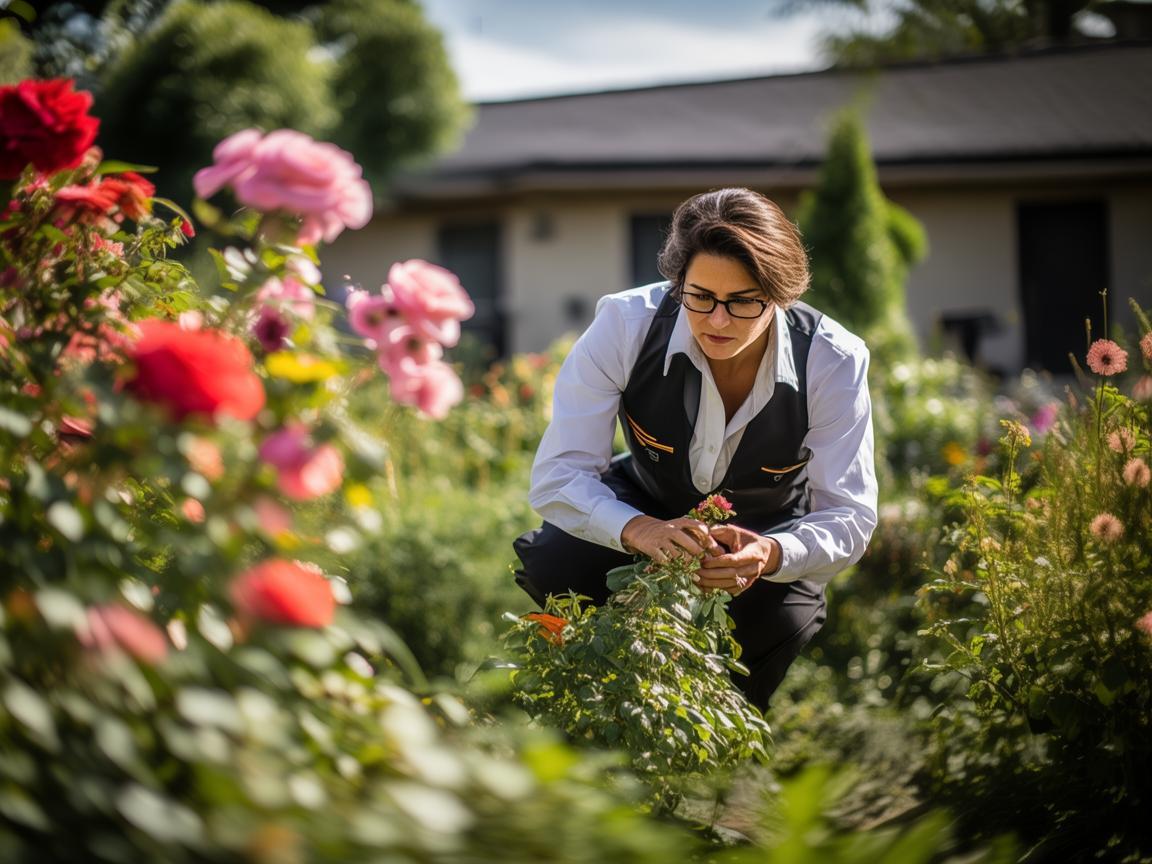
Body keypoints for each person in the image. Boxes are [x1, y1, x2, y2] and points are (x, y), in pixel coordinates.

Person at [513, 187, 878, 710]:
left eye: (743, 301)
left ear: (780, 294)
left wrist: (771, 553)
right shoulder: (625, 325)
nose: (717, 320)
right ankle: (590, 715)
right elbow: (558, 476)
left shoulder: (833, 359)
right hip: (643, 501)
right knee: (557, 562)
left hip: (766, 531)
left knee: (753, 661)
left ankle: (709, 761)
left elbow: (850, 514)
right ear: (677, 282)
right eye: (700, 296)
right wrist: (637, 529)